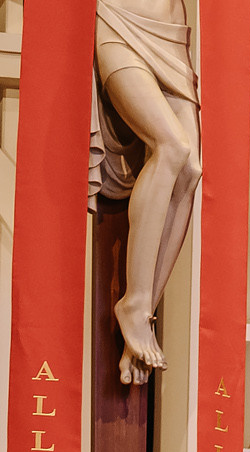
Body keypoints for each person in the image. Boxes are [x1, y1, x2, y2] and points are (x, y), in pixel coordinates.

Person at [95, 0, 199, 381]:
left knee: (190, 171)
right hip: (119, 20)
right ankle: (135, 303)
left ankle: (141, 316)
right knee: (173, 146)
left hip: (171, 35)